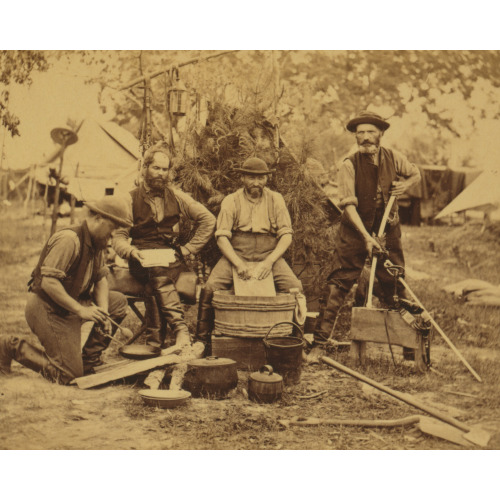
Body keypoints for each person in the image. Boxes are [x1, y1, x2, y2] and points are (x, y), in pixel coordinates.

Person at [314, 111, 421, 343]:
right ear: (355, 136)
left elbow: (415, 174)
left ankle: (409, 343)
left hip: (387, 229)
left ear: (381, 134)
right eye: (360, 132)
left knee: (395, 282)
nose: (365, 137)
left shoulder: (394, 157)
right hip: (354, 230)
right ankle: (320, 343)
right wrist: (365, 237)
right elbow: (348, 207)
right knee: (338, 284)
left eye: (371, 132)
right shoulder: (348, 165)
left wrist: (405, 186)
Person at [0, 196, 132, 384]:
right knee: (68, 375)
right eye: (112, 230)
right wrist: (81, 310)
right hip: (48, 308)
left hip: (71, 304)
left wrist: (103, 311)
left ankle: (88, 361)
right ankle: (10, 345)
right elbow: (49, 283)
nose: (112, 238)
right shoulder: (69, 240)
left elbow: (101, 278)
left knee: (117, 302)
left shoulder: (98, 242)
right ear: (98, 219)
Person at [112, 144, 216, 348]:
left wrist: (188, 249)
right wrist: (131, 252)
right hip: (141, 259)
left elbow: (208, 219)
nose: (161, 174)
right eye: (156, 168)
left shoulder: (177, 196)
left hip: (170, 258)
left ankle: (154, 342)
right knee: (156, 271)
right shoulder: (129, 198)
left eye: (164, 169)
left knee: (156, 280)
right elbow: (118, 238)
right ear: (145, 168)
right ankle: (180, 329)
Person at [197, 157, 303, 345]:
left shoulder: (275, 199)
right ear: (243, 178)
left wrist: (269, 262)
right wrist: (238, 264)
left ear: (266, 179)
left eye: (261, 178)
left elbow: (286, 235)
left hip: (268, 253)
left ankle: (295, 341)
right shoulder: (231, 200)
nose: (256, 183)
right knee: (210, 287)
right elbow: (221, 237)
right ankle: (202, 340)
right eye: (251, 178)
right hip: (237, 252)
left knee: (294, 286)